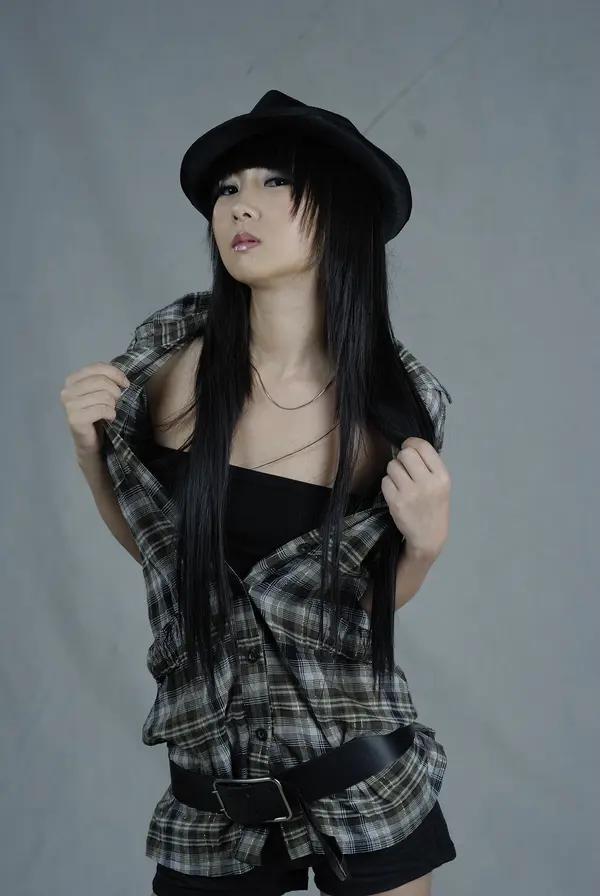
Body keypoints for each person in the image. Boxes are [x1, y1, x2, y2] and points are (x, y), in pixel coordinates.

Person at [61, 91, 456, 896]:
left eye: (276, 182)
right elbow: (163, 556)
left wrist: (425, 546)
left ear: (340, 212)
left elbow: (355, 610)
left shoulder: (396, 407)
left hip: (360, 780)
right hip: (213, 798)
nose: (241, 205)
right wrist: (89, 454)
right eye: (227, 189)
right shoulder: (167, 370)